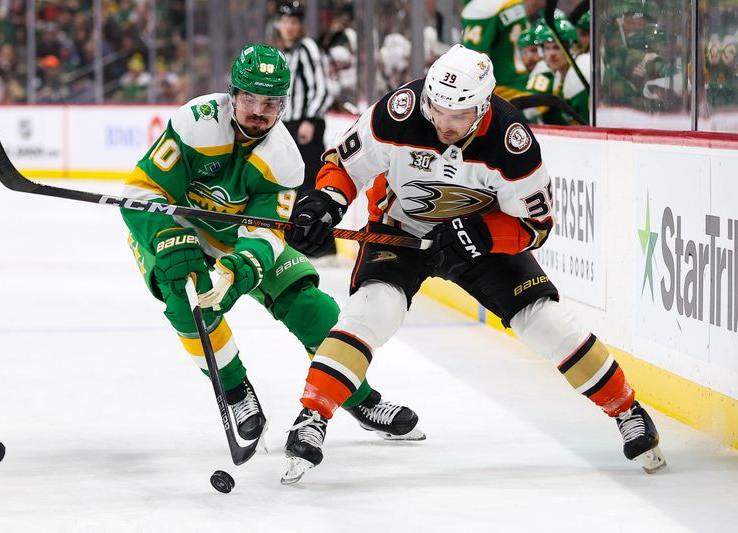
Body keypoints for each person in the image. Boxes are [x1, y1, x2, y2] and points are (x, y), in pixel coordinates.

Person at [282, 44, 666, 483]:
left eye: (458, 115)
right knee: (372, 310)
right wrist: (325, 203)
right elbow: (343, 166)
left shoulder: (510, 141)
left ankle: (626, 410)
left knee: (543, 321)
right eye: (438, 109)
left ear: (482, 107)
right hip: (401, 230)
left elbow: (536, 225)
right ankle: (311, 417)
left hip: (478, 240)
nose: (444, 123)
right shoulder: (398, 112)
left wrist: (480, 234)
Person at [120, 43, 423, 447]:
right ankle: (235, 391)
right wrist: (168, 237)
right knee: (183, 294)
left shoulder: (284, 159)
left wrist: (237, 269)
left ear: (284, 105)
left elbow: (265, 234)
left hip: (236, 241)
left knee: (308, 303)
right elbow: (142, 191)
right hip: (177, 230)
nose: (259, 111)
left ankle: (361, 399)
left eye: (271, 102)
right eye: (250, 99)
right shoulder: (196, 122)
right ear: (233, 94)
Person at [276, 1, 335, 256]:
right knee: (291, 181)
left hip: (306, 124)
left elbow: (323, 88)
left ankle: (324, 245)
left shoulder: (308, 48)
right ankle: (301, 240)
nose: (288, 27)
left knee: (312, 184)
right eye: (285, 22)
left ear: (300, 25)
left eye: (293, 22)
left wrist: (310, 119)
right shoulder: (284, 52)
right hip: (289, 124)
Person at [461, 0, 531, 100]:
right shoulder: (511, 2)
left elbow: (473, 60)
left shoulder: (482, 8)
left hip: (502, 90)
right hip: (524, 81)